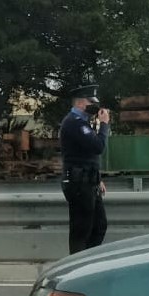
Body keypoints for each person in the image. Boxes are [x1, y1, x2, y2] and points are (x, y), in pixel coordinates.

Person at [59, 84, 110, 254]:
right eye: (91, 102)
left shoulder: (84, 123)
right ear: (81, 103)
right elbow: (98, 147)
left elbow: (87, 155)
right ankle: (77, 267)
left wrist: (98, 179)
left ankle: (89, 261)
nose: (95, 106)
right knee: (81, 230)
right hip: (79, 184)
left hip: (89, 181)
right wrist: (104, 125)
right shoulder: (74, 123)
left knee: (99, 225)